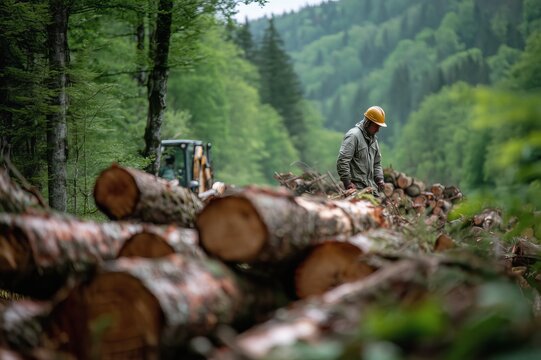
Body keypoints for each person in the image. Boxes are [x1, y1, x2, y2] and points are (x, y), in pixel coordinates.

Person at [336, 105, 387, 195]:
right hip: (356, 190)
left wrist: (380, 179)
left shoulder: (374, 141)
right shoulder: (353, 136)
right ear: (368, 122)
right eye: (376, 126)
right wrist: (347, 183)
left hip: (371, 189)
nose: (378, 130)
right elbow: (342, 160)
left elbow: (377, 164)